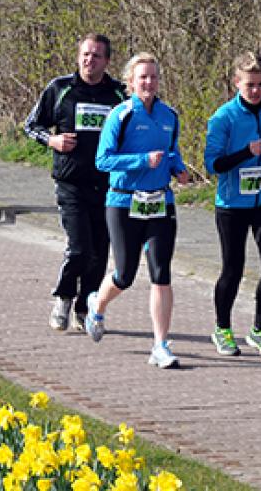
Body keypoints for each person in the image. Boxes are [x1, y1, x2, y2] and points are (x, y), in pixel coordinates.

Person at [84, 53, 191, 369]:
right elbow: (103, 161)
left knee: (161, 273)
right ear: (130, 82)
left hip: (160, 203)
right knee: (125, 274)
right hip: (123, 202)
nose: (149, 83)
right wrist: (142, 161)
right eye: (143, 77)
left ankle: (160, 345)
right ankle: (97, 304)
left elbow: (173, 153)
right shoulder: (121, 115)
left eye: (154, 77)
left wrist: (179, 170)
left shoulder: (169, 115)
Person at [24, 34, 126, 331]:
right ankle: (64, 296)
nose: (88, 60)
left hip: (108, 185)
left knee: (99, 252)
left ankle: (86, 306)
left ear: (107, 61)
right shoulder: (60, 89)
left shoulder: (119, 94)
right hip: (71, 182)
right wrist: (52, 140)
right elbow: (31, 125)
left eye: (96, 56)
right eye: (85, 54)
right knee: (79, 247)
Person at [204, 51, 261, 361]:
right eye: (249, 85)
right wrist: (246, 152)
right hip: (232, 204)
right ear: (236, 83)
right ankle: (222, 328)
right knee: (234, 269)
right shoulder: (223, 118)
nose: (256, 91)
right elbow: (213, 164)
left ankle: (259, 330)